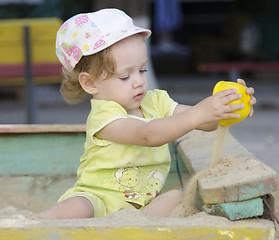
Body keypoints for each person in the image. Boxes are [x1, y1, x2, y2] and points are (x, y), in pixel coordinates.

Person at [39, 8, 256, 219]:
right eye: (125, 76)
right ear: (90, 83)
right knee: (78, 207)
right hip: (98, 201)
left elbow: (203, 123)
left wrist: (224, 109)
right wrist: (200, 112)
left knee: (178, 197)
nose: (139, 82)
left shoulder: (156, 101)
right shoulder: (104, 117)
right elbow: (147, 134)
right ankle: (31, 224)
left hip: (142, 209)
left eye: (142, 70)